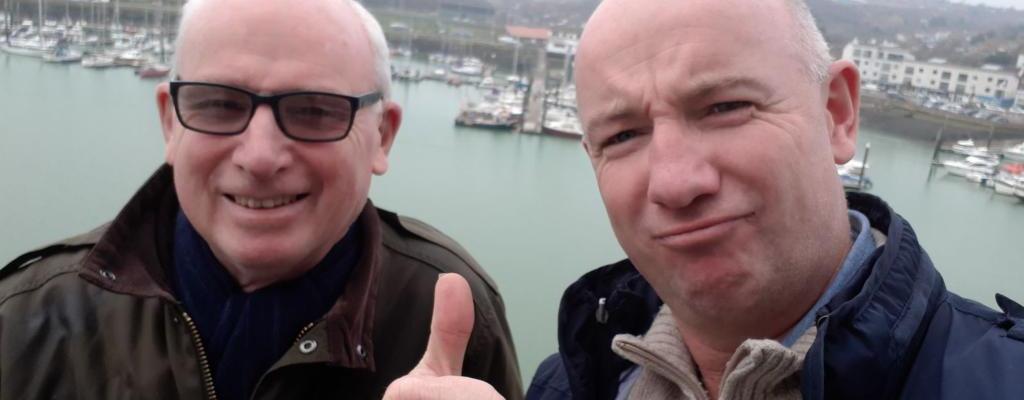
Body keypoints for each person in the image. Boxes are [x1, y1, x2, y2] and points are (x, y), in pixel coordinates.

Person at [383, 0, 1024, 399]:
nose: (674, 182)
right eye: (623, 135)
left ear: (837, 113)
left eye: (724, 107)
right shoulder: (570, 383)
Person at [0, 0, 522, 399]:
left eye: (315, 110)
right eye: (220, 104)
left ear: (382, 136)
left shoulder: (451, 320)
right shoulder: (24, 322)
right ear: (169, 123)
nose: (260, 156)